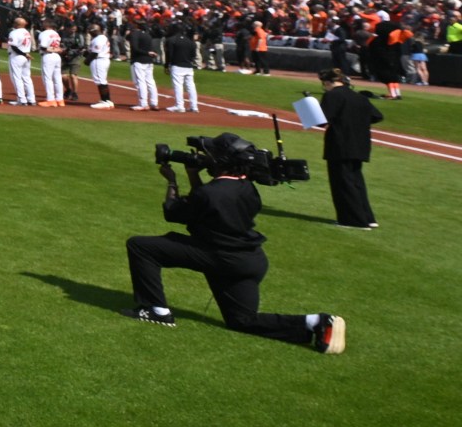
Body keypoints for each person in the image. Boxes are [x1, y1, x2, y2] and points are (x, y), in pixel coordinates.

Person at [124, 133, 345, 354]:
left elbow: (174, 212)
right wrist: (193, 175)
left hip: (219, 257)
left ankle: (158, 312)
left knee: (141, 247)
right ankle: (316, 322)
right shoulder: (247, 187)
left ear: (221, 160)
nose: (205, 156)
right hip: (248, 260)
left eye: (210, 154)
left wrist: (171, 180)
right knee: (241, 320)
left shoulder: (211, 192)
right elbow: (205, 204)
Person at [317, 70, 382, 229]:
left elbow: (322, 120)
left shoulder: (332, 95)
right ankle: (367, 217)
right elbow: (377, 116)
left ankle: (353, 220)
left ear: (328, 82)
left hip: (340, 143)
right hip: (360, 143)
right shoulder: (359, 97)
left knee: (343, 183)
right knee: (356, 181)